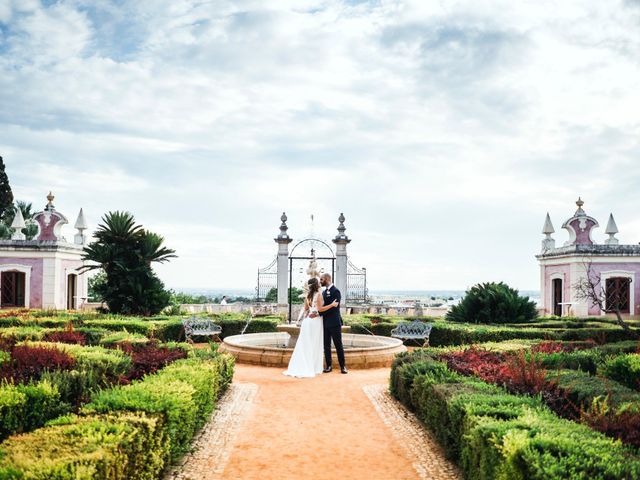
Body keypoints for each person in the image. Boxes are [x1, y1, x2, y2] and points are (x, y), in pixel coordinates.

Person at [284, 277, 338, 378]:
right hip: (315, 322)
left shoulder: (308, 296)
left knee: (305, 344)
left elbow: (305, 309)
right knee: (315, 344)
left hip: (307, 322)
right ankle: (313, 367)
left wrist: (306, 317)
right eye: (318, 282)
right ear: (316, 285)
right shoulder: (318, 295)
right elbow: (320, 309)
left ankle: (304, 365)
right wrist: (332, 305)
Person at [318, 273, 347, 374]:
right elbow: (323, 307)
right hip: (325, 323)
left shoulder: (336, 291)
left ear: (326, 279)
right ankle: (329, 366)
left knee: (338, 345)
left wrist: (321, 311)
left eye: (321, 279)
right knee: (326, 345)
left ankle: (343, 366)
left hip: (335, 322)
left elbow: (335, 308)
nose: (320, 281)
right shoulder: (324, 292)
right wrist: (321, 311)